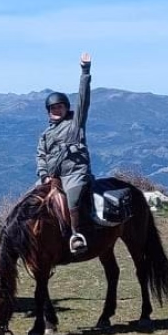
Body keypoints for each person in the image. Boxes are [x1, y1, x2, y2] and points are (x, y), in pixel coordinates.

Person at [38, 52, 94, 254]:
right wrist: (44, 175)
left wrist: (85, 71)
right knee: (31, 199)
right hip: (53, 176)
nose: (57, 110)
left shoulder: (75, 123)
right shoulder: (45, 135)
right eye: (53, 108)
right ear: (48, 111)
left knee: (72, 198)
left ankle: (76, 234)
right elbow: (41, 156)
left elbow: (84, 98)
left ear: (66, 108)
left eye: (60, 107)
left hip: (75, 173)